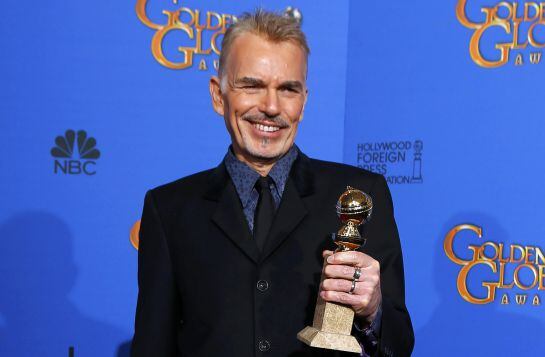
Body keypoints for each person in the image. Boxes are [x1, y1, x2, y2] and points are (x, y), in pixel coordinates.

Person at [131, 9, 414, 357]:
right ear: (218, 96)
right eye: (252, 85)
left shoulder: (359, 195)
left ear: (304, 102)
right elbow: (151, 347)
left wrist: (374, 311)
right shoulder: (170, 210)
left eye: (288, 89)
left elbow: (399, 346)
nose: (270, 106)